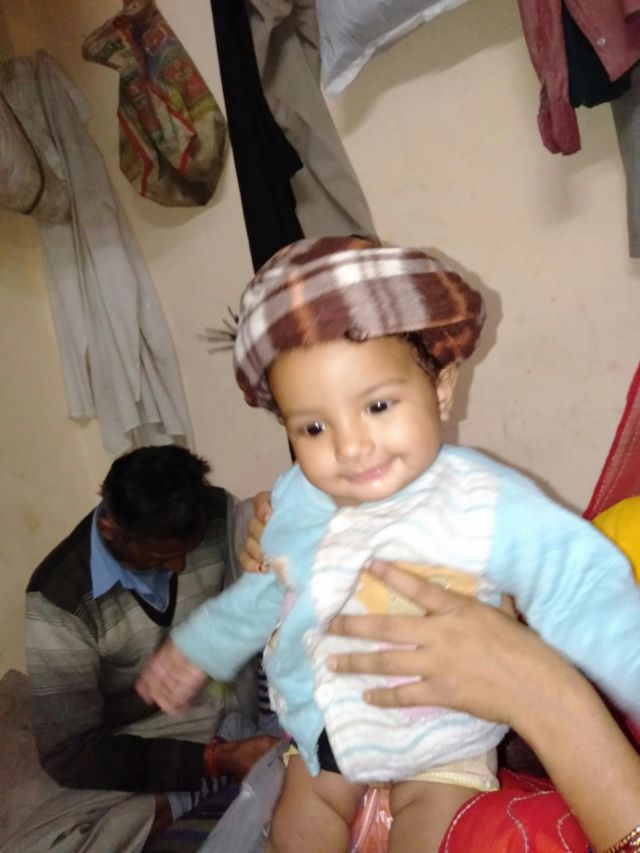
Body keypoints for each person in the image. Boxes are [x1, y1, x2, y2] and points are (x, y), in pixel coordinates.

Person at [136, 237, 640, 853]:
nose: (351, 447)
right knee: (297, 824)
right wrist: (198, 647)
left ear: (442, 388)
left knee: (429, 825)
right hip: (328, 723)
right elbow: (268, 592)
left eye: (377, 405)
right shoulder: (298, 501)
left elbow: (579, 585)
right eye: (313, 426)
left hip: (441, 732)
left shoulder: (483, 500)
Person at [20, 445, 277, 852]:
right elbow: (67, 752)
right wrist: (215, 759)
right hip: (152, 738)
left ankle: (209, 787)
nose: (178, 568)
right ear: (110, 530)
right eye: (161, 557)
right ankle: (201, 788)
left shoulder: (215, 512)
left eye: (187, 551)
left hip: (234, 705)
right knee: (66, 840)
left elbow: (261, 598)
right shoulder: (59, 599)